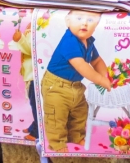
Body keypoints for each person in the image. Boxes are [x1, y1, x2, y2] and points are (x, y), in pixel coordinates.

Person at [41, 11, 110, 151]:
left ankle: (76, 136)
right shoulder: (69, 41)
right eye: (79, 18)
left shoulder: (89, 42)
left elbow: (97, 61)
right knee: (56, 116)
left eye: (90, 20)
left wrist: (105, 76)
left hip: (76, 86)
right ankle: (57, 144)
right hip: (56, 86)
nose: (84, 23)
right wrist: (101, 80)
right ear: (67, 21)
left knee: (80, 112)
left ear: (96, 25)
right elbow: (82, 67)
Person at [10, 20, 37, 141]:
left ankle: (37, 131)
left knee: (36, 103)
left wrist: (20, 39)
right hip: (31, 73)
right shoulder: (30, 26)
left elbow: (31, 49)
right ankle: (35, 125)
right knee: (34, 101)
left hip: (35, 74)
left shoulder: (38, 27)